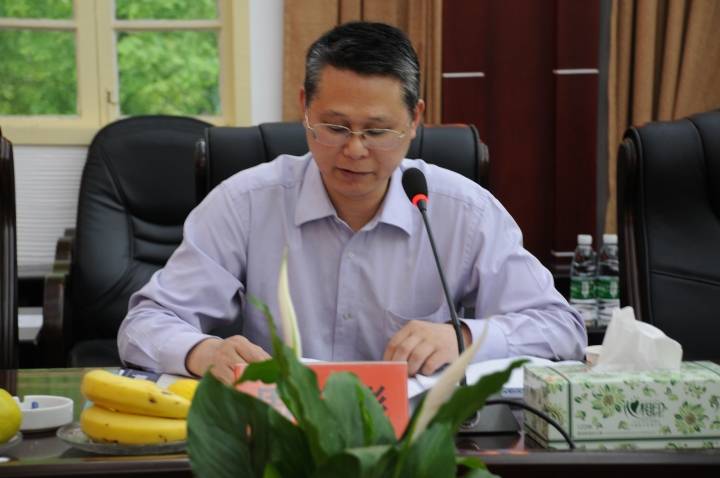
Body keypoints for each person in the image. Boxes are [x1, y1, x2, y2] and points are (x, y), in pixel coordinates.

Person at [118, 21, 586, 385]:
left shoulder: (464, 212)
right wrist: (203, 352)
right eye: (335, 127)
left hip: (417, 440)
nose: (355, 150)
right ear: (304, 107)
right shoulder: (245, 204)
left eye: (378, 131)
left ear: (415, 119)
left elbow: (562, 329)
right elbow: (144, 323)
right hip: (278, 434)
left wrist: (462, 336)